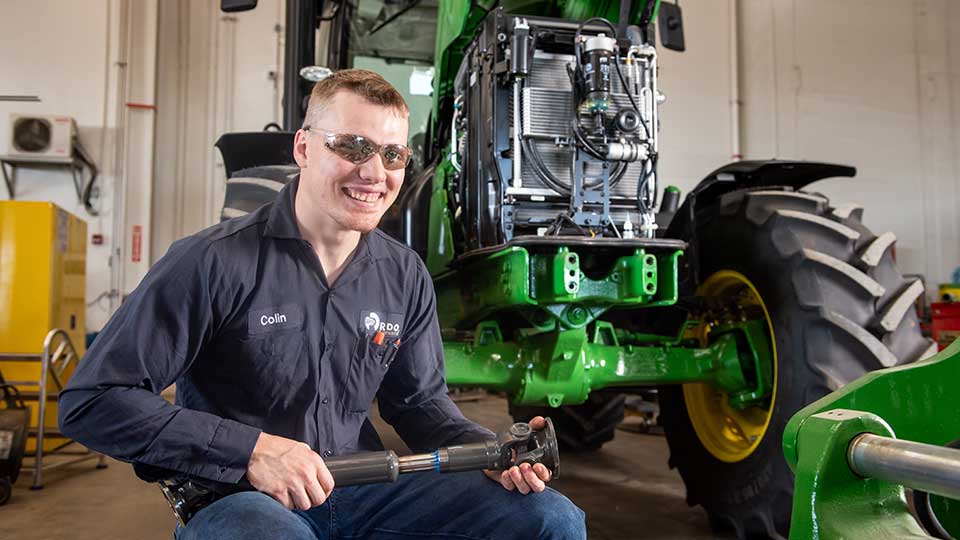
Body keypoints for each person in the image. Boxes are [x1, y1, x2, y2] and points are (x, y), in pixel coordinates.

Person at [59, 69, 586, 540]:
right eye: (353, 146)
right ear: (304, 148)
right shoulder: (211, 262)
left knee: (551, 521)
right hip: (240, 496)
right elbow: (93, 401)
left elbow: (419, 405)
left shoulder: (404, 275)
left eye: (392, 154)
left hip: (363, 486)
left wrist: (490, 452)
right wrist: (251, 450)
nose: (375, 173)